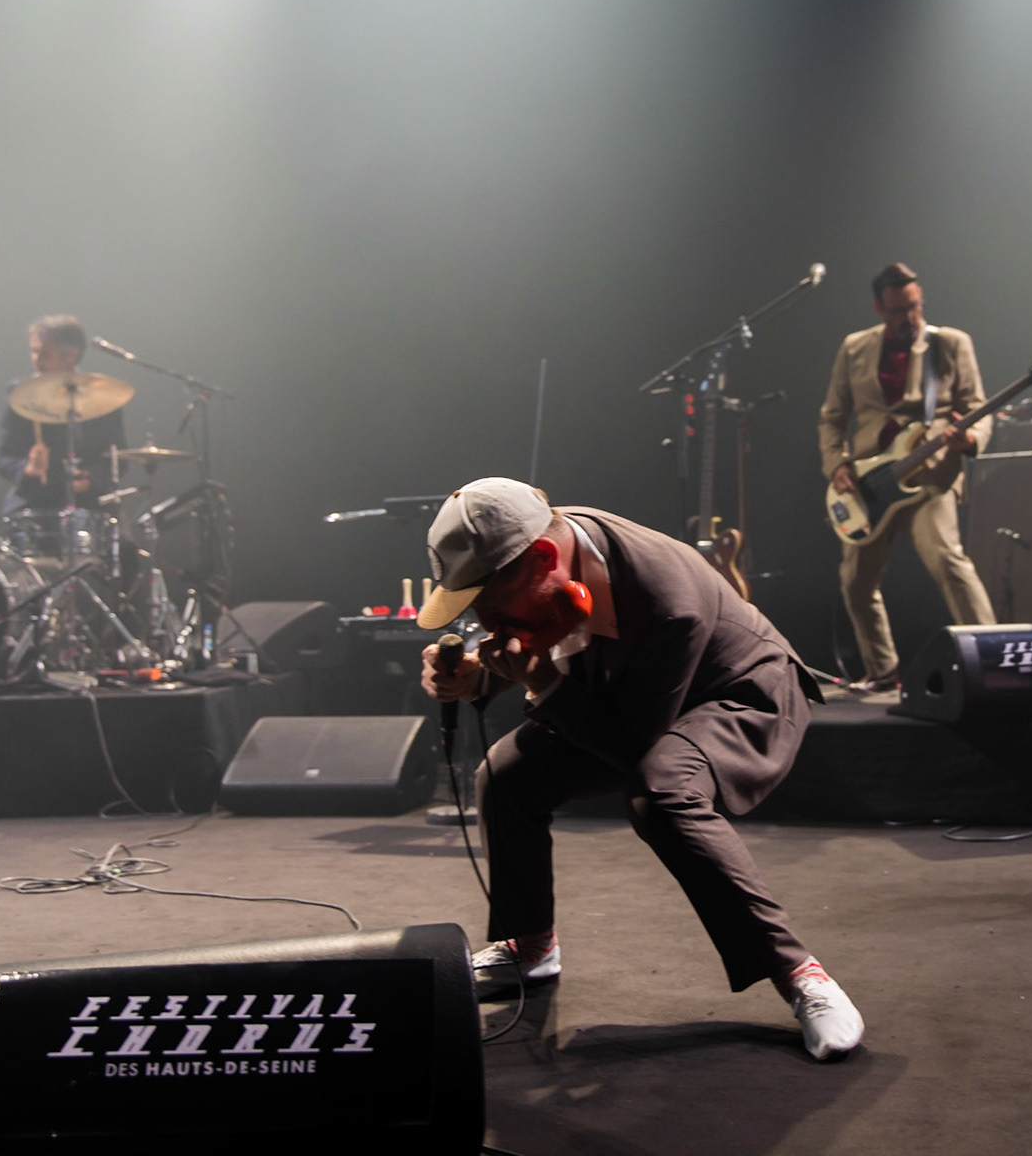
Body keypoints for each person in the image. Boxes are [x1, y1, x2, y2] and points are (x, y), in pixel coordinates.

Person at [416, 478, 864, 1061]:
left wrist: (542, 683)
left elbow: (630, 747)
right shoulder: (545, 547)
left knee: (661, 791)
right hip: (631, 694)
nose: (482, 620)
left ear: (544, 560)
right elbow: (548, 633)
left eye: (487, 603)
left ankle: (802, 975)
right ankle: (530, 945)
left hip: (738, 693)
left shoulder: (663, 598)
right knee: (506, 774)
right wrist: (476, 675)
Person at [817, 262, 997, 693]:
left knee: (948, 560)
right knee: (856, 583)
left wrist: (968, 438)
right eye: (898, 310)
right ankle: (881, 671)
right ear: (880, 308)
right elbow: (832, 417)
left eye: (915, 307)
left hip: (931, 477)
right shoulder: (855, 347)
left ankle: (992, 658)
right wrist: (838, 465)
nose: (909, 317)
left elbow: (978, 405)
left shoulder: (951, 344)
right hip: (869, 484)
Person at [0, 314, 126, 516]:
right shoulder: (20, 396)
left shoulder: (104, 398)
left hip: (90, 504)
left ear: (71, 355)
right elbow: (2, 457)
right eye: (33, 352)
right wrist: (26, 468)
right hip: (35, 503)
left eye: (44, 354)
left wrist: (91, 480)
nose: (36, 361)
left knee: (124, 542)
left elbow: (120, 459)